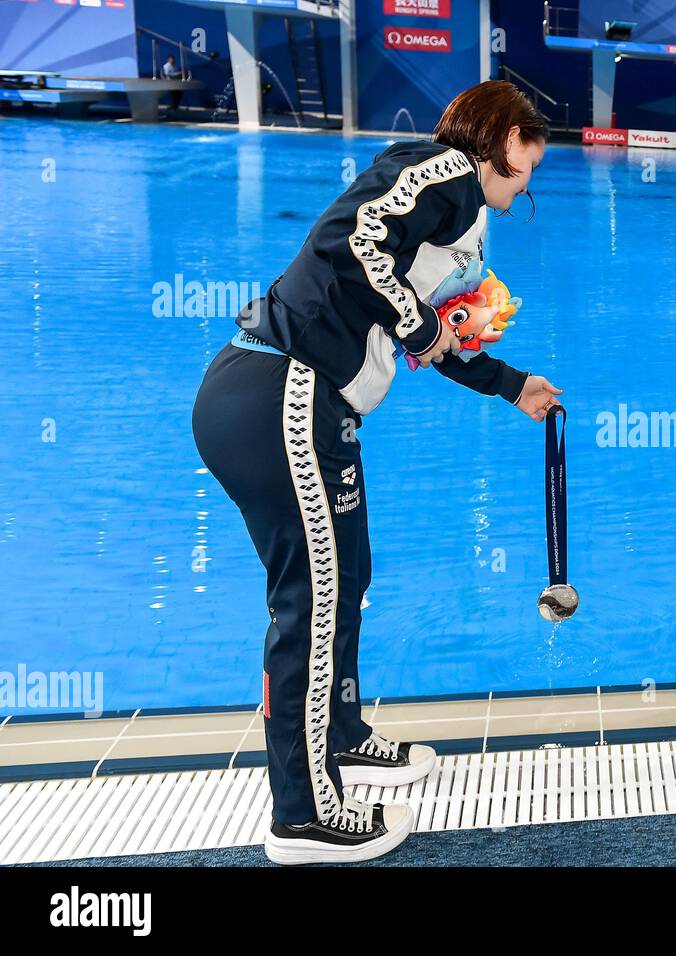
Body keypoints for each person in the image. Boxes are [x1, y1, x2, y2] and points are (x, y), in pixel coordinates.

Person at [191, 81, 562, 865]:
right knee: (312, 606)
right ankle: (303, 815)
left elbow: (444, 342)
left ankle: (343, 735)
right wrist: (422, 322)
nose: (523, 185)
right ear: (494, 141)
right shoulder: (443, 172)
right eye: (521, 166)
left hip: (305, 403)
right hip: (281, 388)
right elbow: (359, 243)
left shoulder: (462, 222)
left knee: (347, 575)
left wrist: (512, 383)